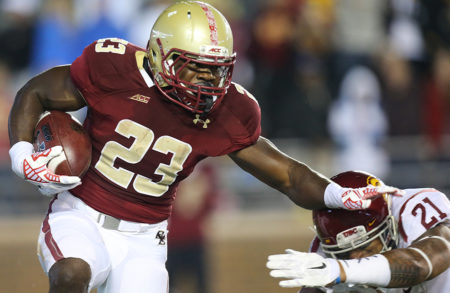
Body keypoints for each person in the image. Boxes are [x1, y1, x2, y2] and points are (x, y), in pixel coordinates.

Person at [8, 2, 400, 293]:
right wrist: (21, 154)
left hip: (146, 237)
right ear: (161, 54)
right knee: (73, 273)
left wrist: (336, 193)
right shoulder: (114, 69)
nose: (208, 81)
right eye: (195, 66)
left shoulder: (228, 111)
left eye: (217, 69)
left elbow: (288, 175)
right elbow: (36, 91)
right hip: (80, 213)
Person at [267, 170, 450, 292]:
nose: (355, 258)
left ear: (389, 227)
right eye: (345, 252)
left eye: (367, 246)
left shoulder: (415, 208)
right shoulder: (326, 249)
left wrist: (341, 270)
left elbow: (422, 264)